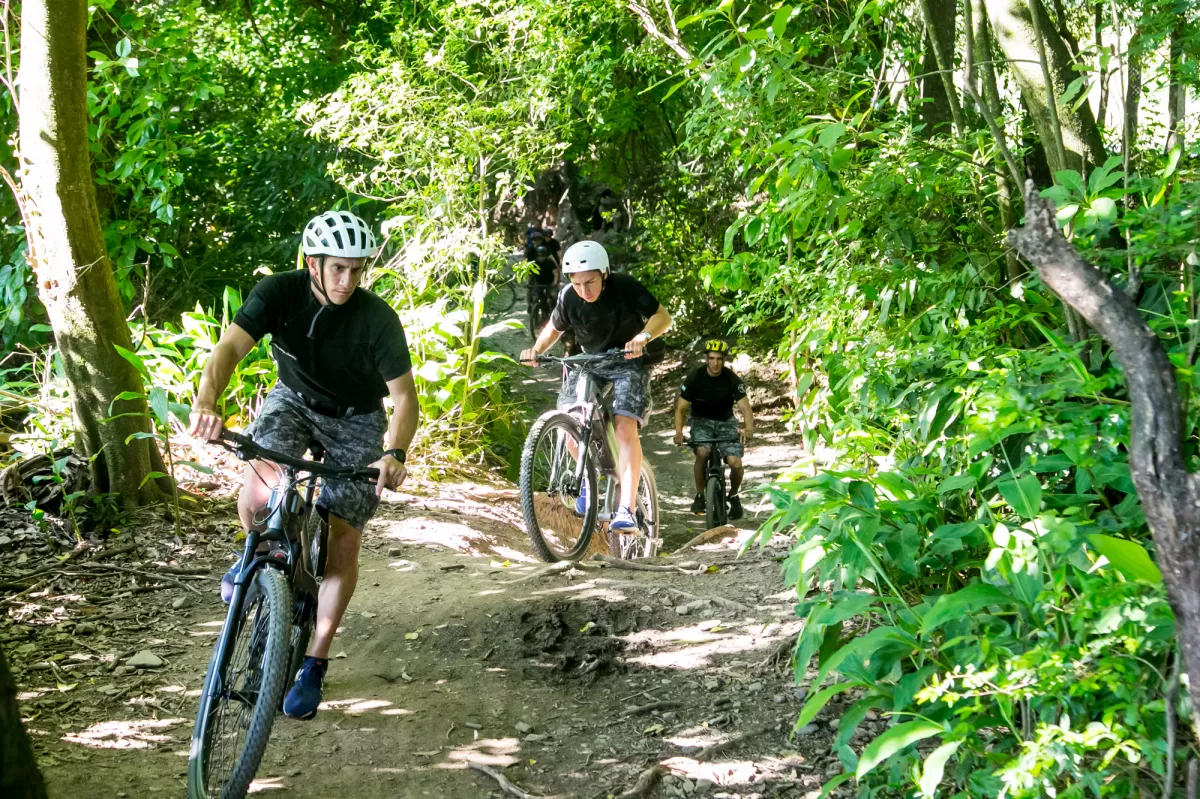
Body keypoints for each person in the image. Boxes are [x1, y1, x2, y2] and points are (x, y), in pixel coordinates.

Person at [189, 210, 419, 720]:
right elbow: (228, 348)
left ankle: (315, 659)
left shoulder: (377, 318)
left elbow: (405, 398)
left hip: (357, 420)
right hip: (292, 401)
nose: (348, 280)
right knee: (259, 487)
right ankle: (259, 554)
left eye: (357, 270)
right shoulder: (278, 292)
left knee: (343, 534)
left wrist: (395, 452)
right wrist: (207, 402)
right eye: (338, 268)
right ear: (312, 263)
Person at [519, 240, 672, 532]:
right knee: (570, 421)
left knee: (624, 424)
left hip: (629, 359)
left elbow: (663, 317)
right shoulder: (568, 297)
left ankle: (626, 507)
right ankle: (588, 483)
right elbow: (555, 326)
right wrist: (536, 349)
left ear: (604, 273)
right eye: (577, 284)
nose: (584, 291)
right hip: (590, 361)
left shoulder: (624, 287)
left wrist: (643, 337)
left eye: (589, 282)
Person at [673, 340, 754, 520]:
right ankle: (701, 495)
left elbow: (746, 409)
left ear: (724, 360)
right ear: (706, 359)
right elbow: (681, 408)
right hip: (701, 421)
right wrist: (678, 432)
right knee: (702, 452)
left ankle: (733, 495)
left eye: (719, 359)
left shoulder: (732, 379)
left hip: (726, 422)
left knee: (736, 463)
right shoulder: (695, 377)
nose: (715, 363)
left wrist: (748, 428)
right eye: (711, 358)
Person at [524, 227, 561, 319]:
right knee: (531, 292)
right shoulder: (529, 250)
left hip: (548, 275)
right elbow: (525, 263)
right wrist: (527, 280)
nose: (536, 241)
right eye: (534, 240)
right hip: (535, 273)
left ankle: (555, 313)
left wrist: (557, 266)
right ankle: (531, 307)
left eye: (538, 239)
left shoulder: (546, 249)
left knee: (553, 296)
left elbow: (553, 259)